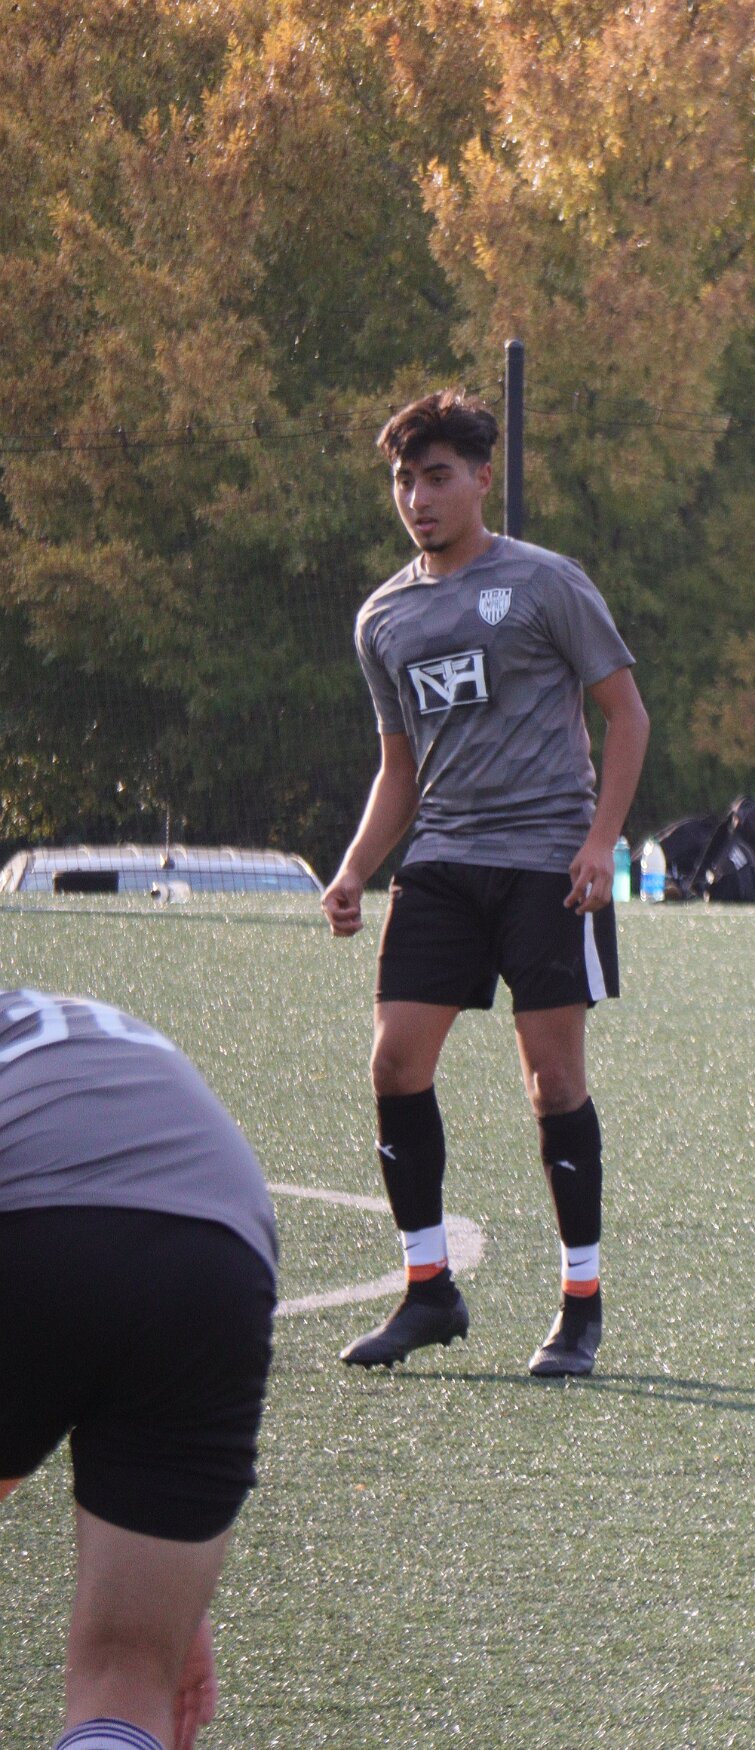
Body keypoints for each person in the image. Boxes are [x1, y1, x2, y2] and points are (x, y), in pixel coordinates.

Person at [321, 389, 649, 1377]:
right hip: (442, 866)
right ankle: (429, 1289)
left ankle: (580, 1305)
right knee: (394, 1064)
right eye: (403, 480)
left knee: (554, 1082)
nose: (417, 499)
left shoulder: (546, 582)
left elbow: (626, 716)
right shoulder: (383, 616)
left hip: (549, 864)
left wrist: (600, 845)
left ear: (478, 479)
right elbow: (400, 769)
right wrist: (355, 868)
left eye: (436, 478)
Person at [0, 991, 278, 1750]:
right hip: (212, 1261)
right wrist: (168, 1585)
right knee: (127, 1677)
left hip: (35, 1225)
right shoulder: (79, 1026)